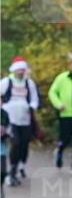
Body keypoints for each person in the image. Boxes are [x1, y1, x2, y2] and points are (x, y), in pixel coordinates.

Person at [0, 57, 40, 185]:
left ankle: (16, 169)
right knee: (15, 143)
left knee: (23, 144)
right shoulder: (6, 82)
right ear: (14, 70)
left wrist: (31, 107)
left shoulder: (29, 83)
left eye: (23, 70)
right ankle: (10, 172)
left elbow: (34, 99)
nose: (20, 72)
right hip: (10, 119)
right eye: (18, 70)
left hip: (25, 119)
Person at [1, 106, 11, 198]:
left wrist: (4, 132)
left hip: (1, 148)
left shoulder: (4, 114)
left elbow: (8, 128)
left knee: (3, 171)